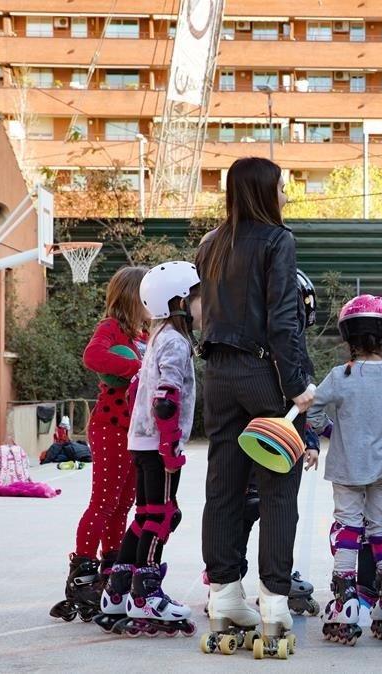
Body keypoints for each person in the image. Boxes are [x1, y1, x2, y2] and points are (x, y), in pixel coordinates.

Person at [196, 157, 314, 654]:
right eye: (282, 187)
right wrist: (298, 384)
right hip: (263, 373)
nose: (285, 195)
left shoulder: (210, 244)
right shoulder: (276, 240)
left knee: (223, 482)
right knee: (278, 488)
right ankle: (275, 602)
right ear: (265, 191)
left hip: (217, 375)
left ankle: (224, 597)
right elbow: (283, 318)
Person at [93, 262, 199, 637]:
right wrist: (170, 445)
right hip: (159, 442)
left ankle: (118, 590)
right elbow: (165, 397)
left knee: (145, 515)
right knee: (163, 515)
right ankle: (147, 593)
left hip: (142, 440)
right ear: (179, 303)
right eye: (197, 298)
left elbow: (139, 388)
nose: (204, 306)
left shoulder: (156, 336)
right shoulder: (174, 340)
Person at [308, 294, 382, 646]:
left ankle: (346, 598)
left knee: (348, 528)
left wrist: (330, 433)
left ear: (348, 338)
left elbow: (312, 411)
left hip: (348, 466)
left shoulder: (340, 376)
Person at [51, 266, 148, 623]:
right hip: (111, 426)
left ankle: (111, 567)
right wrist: (139, 367)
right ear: (133, 296)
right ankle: (82, 575)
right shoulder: (110, 328)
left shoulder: (144, 332)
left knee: (123, 504)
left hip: (137, 430)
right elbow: (93, 357)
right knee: (104, 503)